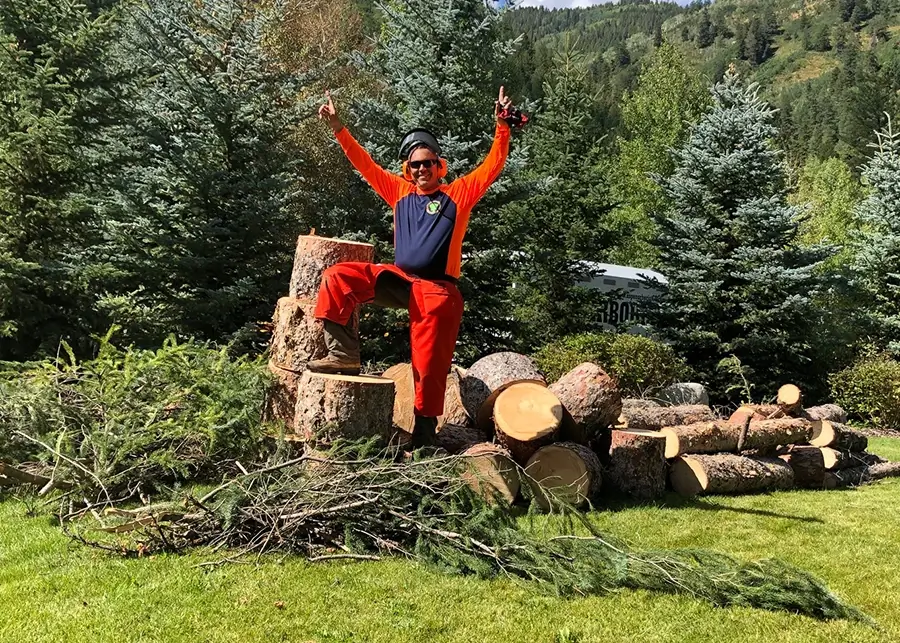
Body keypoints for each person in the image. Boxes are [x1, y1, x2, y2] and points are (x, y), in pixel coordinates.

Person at [310, 87, 520, 447]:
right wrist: (338, 128)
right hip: (402, 280)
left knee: (427, 364)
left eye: (428, 163)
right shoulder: (399, 192)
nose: (422, 169)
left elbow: (492, 166)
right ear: (408, 170)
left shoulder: (457, 194)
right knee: (337, 277)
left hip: (438, 290)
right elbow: (365, 164)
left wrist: (502, 126)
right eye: (415, 164)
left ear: (439, 166)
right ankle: (343, 355)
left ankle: (423, 437)